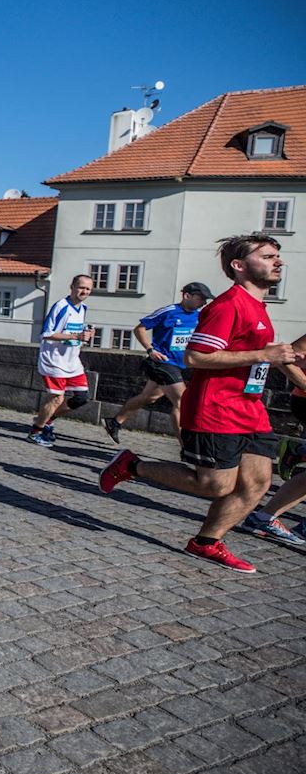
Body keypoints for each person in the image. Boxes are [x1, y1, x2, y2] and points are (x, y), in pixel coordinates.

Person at [99, 234, 304, 569]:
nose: (277, 261)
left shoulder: (258, 307)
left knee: (257, 484)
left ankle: (206, 542)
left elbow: (257, 359)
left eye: (277, 256)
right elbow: (195, 357)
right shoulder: (229, 305)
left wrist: (275, 359)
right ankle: (131, 466)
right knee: (213, 485)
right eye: (267, 256)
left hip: (250, 409)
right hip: (217, 409)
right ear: (239, 267)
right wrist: (263, 353)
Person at [103, 283, 213, 443]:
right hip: (163, 363)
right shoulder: (168, 312)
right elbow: (139, 328)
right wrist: (150, 349)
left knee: (149, 397)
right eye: (201, 298)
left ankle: (114, 422)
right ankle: (185, 446)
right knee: (182, 401)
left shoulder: (199, 316)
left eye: (205, 299)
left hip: (181, 364)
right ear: (187, 295)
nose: (204, 302)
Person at [28, 275, 95, 447]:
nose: (84, 292)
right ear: (72, 287)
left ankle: (49, 420)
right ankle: (36, 431)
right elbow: (47, 333)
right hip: (54, 360)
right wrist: (76, 335)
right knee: (57, 398)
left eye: (87, 289)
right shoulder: (61, 306)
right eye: (81, 287)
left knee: (81, 397)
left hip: (72, 361)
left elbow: (76, 333)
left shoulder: (83, 308)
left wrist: (86, 335)